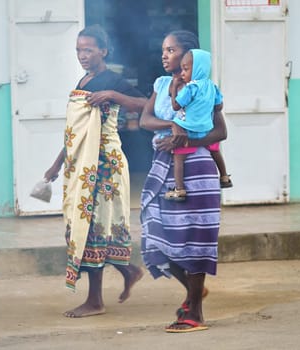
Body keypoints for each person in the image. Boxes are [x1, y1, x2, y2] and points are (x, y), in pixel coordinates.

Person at [44, 24, 146, 318]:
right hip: (82, 163)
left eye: (88, 49)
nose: (82, 55)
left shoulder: (112, 80)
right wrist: (56, 164)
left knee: (94, 227)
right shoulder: (85, 79)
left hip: (104, 164)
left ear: (104, 50)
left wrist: (113, 94)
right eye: (78, 50)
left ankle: (95, 301)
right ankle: (129, 271)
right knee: (87, 227)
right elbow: (77, 132)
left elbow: (146, 104)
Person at [139, 30, 227, 333]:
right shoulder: (161, 84)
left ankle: (195, 312)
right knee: (155, 233)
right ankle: (193, 291)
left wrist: (186, 137)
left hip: (197, 167)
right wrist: (173, 125)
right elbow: (145, 120)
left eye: (171, 49)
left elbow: (220, 132)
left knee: (194, 236)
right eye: (163, 50)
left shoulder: (205, 88)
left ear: (188, 54)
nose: (164, 55)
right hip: (163, 167)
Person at [165, 48, 226, 201]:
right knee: (215, 149)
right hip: (206, 129)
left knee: (178, 156)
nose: (183, 73)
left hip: (189, 129)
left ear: (198, 68)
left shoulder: (191, 87)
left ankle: (179, 189)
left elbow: (175, 106)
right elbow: (219, 107)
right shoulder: (212, 87)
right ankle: (224, 176)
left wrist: (173, 89)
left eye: (186, 69)